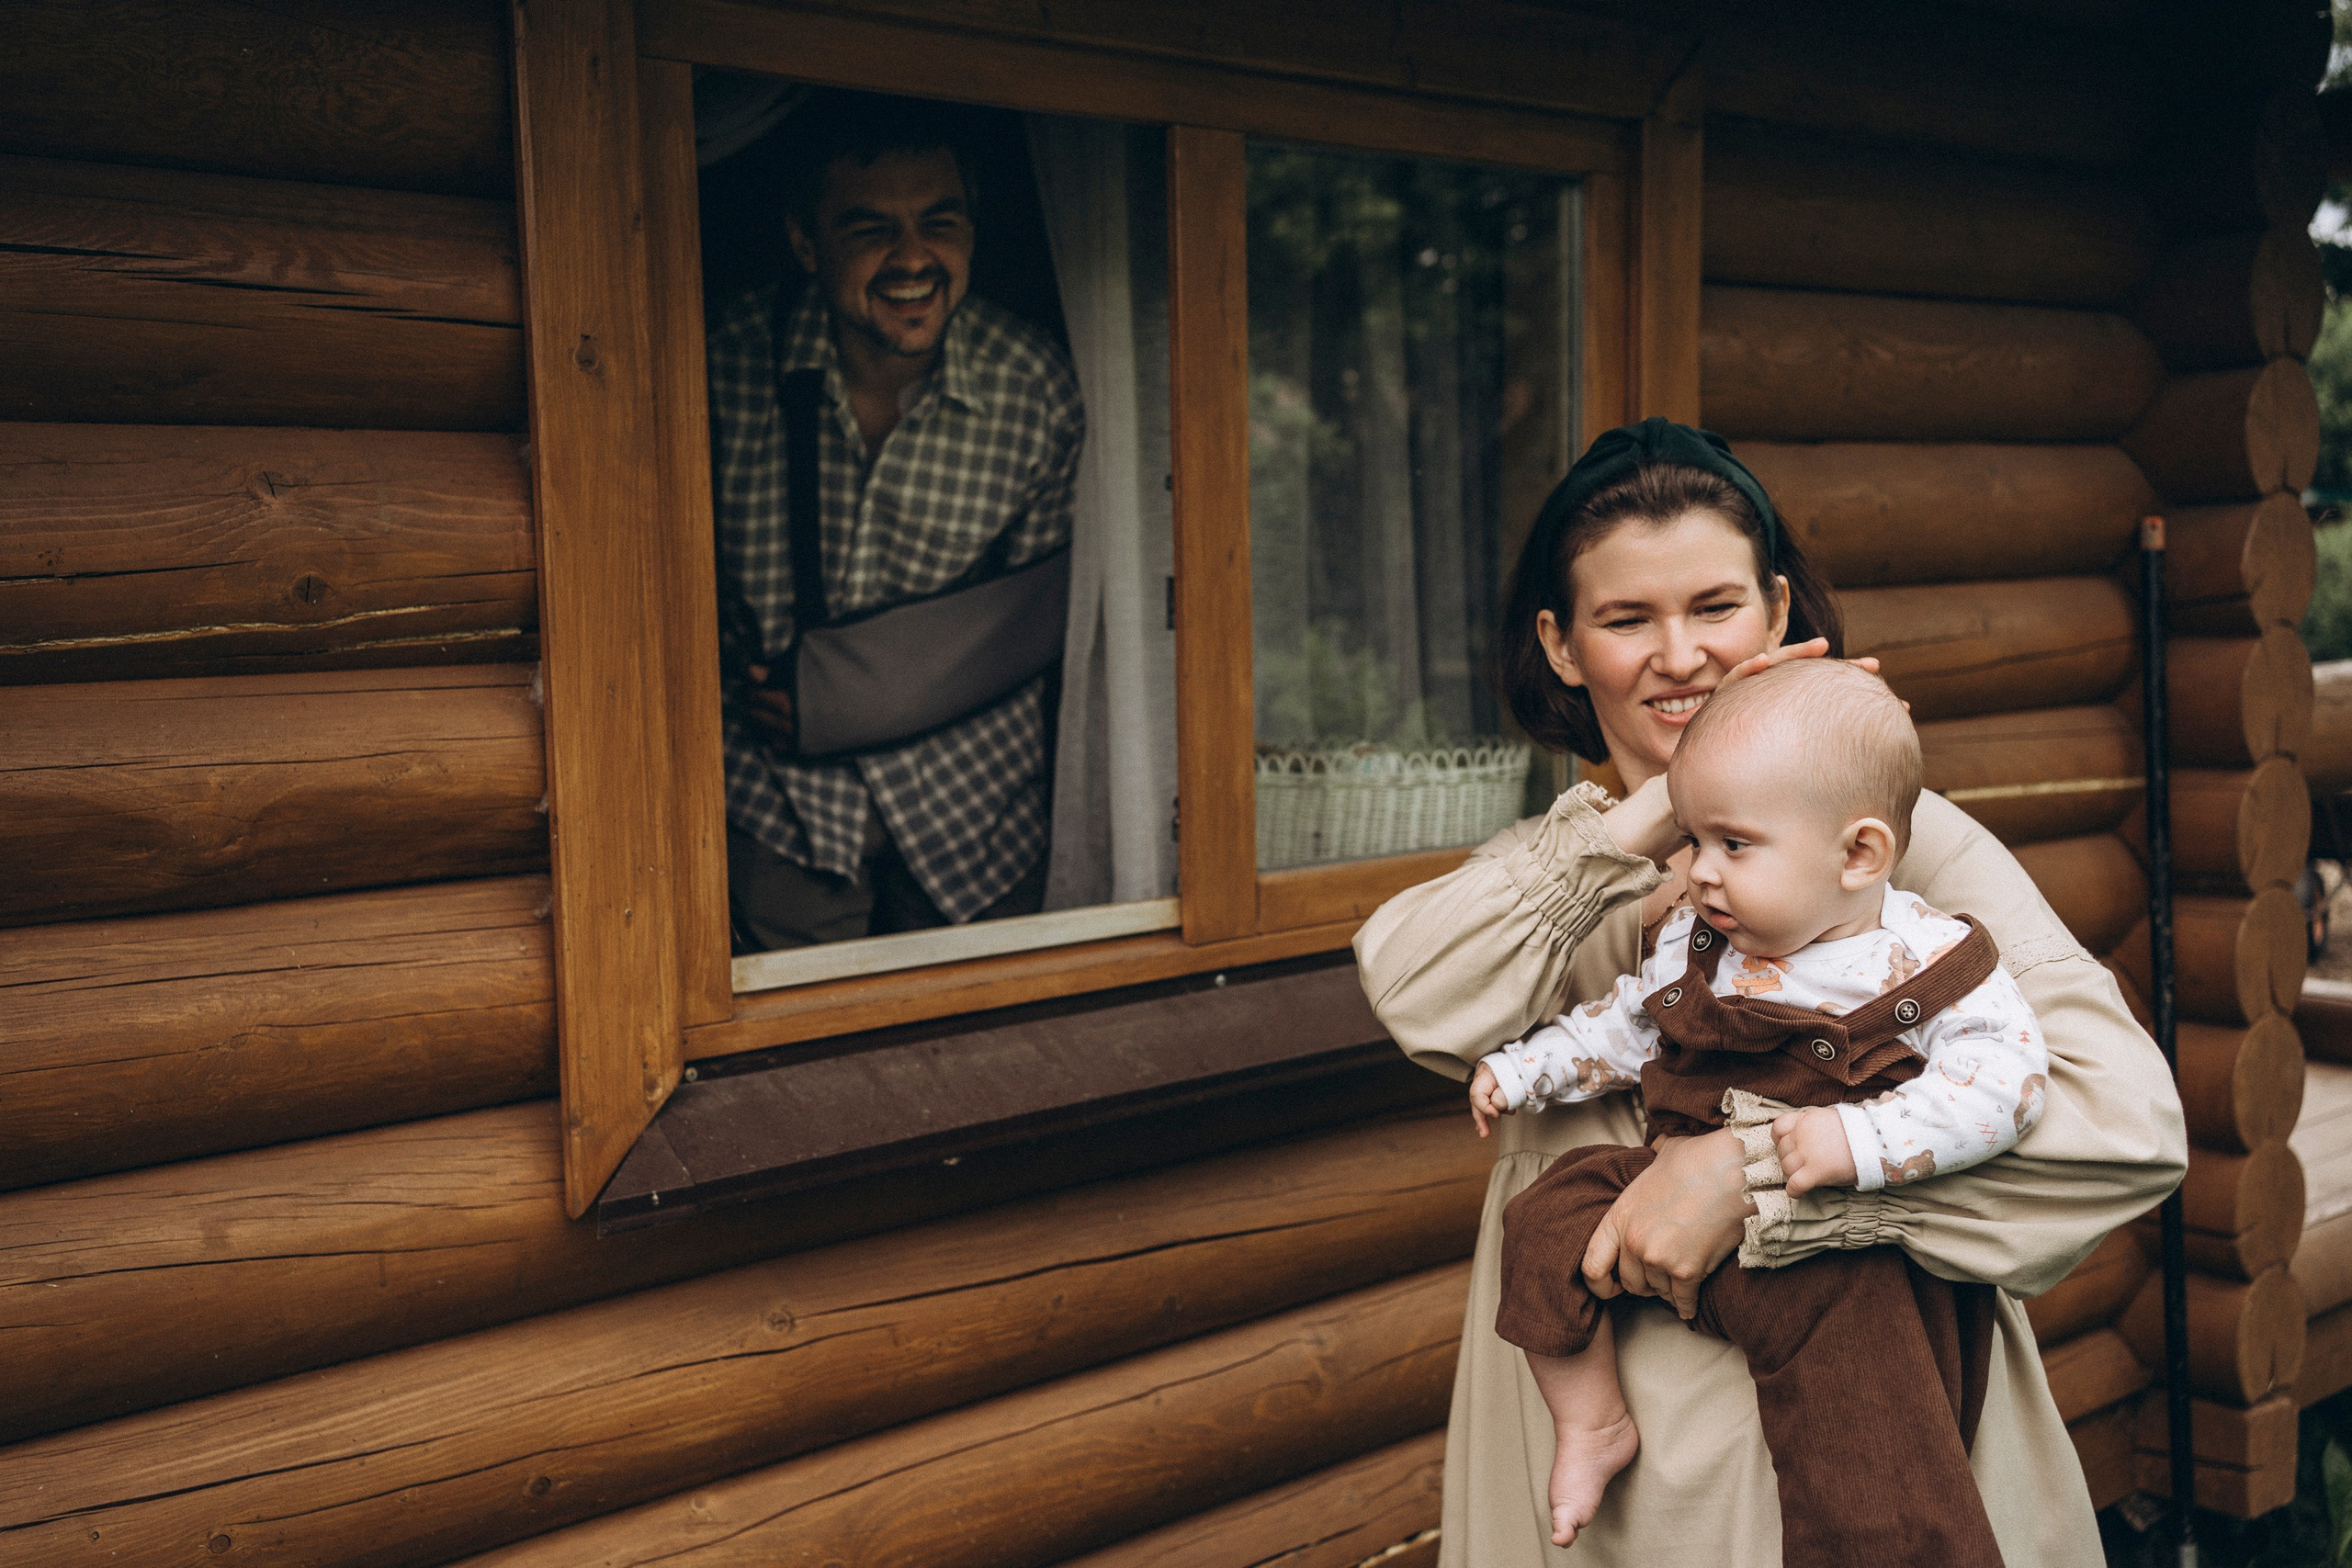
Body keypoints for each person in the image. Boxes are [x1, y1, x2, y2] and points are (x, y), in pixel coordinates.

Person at [1352, 417, 2186, 1566]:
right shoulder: (1556, 877)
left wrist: (1753, 1180)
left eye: (1713, 608)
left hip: (1862, 1444)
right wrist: (1658, 813)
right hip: (1590, 1474)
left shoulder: (1893, 850)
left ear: (1780, 616)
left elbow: (2127, 1129)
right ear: (1558, 645)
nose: (1679, 656)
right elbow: (1410, 993)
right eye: (1624, 619)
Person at [1472, 659, 2045, 1562]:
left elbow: (2002, 1089)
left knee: (1858, 1394)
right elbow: (1627, 1026)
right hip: (1670, 1183)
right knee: (1543, 1216)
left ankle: (1885, 1544)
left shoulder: (1922, 964)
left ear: (1858, 855)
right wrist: (1526, 1072)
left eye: (1732, 845)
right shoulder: (1701, 945)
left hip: (1823, 1224)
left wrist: (1854, 1139)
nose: (1698, 872)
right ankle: (1590, 1422)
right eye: (1693, 840)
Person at [706, 96, 1084, 950]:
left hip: (975, 799)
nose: (913, 259)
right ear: (807, 242)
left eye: (939, 222)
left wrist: (841, 693)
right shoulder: (717, 367)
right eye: (871, 229)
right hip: (778, 801)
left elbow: (1036, 622)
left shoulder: (1035, 389)